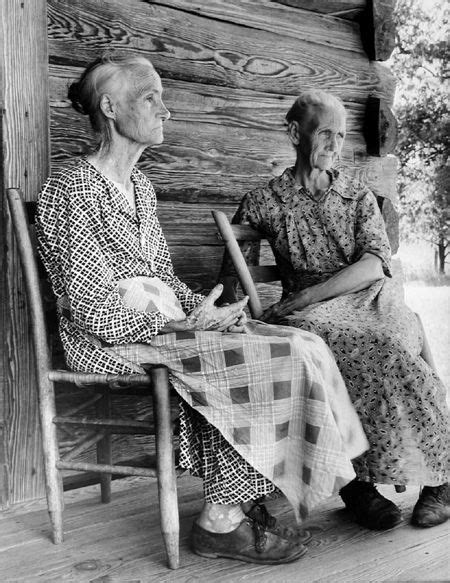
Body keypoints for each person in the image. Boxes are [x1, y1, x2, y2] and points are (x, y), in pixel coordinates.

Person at [36, 54, 368, 565]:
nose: (165, 111)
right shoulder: (72, 189)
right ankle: (219, 521)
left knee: (299, 341)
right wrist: (175, 322)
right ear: (109, 106)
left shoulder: (140, 188)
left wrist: (208, 310)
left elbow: (162, 279)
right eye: (151, 99)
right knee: (267, 360)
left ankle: (241, 498)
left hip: (163, 328)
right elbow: (91, 311)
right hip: (107, 340)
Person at [226, 90, 449, 531]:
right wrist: (232, 312)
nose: (334, 144)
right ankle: (357, 486)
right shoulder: (265, 200)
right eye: (325, 133)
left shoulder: (356, 194)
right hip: (312, 316)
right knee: (323, 342)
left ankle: (440, 476)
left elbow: (373, 264)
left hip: (368, 295)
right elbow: (232, 272)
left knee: (386, 341)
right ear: (295, 133)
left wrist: (308, 296)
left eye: (341, 135)